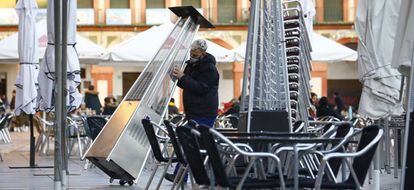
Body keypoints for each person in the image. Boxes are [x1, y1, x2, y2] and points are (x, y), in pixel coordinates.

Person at [166, 39, 219, 183]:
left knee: (192, 144)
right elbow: (186, 83)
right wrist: (175, 76)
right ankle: (181, 176)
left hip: (204, 112)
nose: (192, 55)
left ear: (203, 53)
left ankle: (182, 175)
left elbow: (201, 88)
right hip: (194, 112)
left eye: (195, 53)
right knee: (190, 143)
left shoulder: (209, 68)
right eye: (191, 53)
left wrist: (183, 77)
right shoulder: (192, 65)